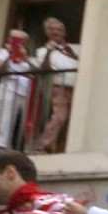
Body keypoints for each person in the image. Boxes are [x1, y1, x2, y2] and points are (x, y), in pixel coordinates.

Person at [34, 17, 80, 153]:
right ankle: (44, 144)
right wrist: (49, 51)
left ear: (64, 32)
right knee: (60, 116)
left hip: (78, 88)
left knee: (72, 120)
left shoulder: (73, 49)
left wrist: (70, 52)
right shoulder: (42, 51)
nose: (56, 32)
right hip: (60, 87)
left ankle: (59, 148)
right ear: (47, 32)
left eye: (59, 29)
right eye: (52, 29)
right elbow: (43, 69)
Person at [0, 29, 35, 150]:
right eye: (16, 40)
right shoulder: (3, 53)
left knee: (22, 122)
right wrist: (10, 54)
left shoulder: (27, 56)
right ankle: (1, 147)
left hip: (24, 92)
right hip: (9, 90)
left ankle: (22, 147)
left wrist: (25, 57)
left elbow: (36, 71)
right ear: (9, 40)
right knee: (5, 119)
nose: (20, 43)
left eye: (22, 40)